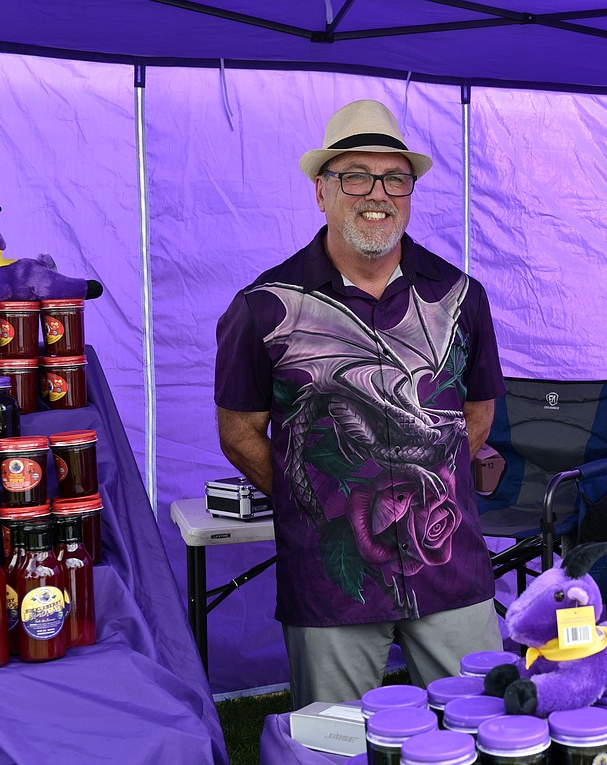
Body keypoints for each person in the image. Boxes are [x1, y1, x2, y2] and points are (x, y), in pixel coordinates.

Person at [214, 99, 505, 707]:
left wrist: (432, 476)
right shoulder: (265, 309)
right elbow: (240, 433)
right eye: (355, 175)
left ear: (410, 191)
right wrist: (316, 496)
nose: (377, 193)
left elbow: (477, 413)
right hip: (330, 583)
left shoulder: (460, 296)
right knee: (331, 750)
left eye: (394, 177)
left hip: (452, 570)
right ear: (322, 192)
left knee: (480, 733)